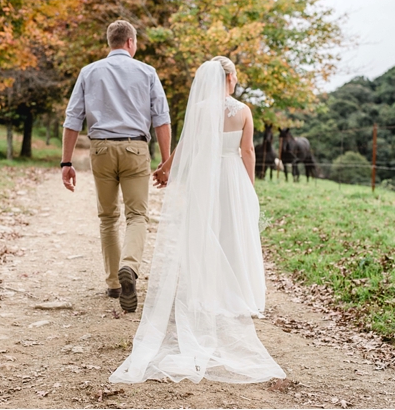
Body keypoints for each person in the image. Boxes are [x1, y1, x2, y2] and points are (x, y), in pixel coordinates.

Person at [109, 57, 286, 384]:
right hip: (232, 177)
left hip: (206, 179)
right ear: (230, 78)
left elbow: (187, 143)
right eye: (234, 77)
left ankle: (205, 292)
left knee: (205, 233)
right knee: (233, 232)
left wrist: (167, 169)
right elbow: (248, 152)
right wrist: (249, 186)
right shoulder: (244, 111)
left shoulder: (201, 109)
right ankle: (234, 295)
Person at [61, 20, 172, 313]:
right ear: (130, 43)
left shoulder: (89, 72)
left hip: (101, 149)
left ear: (111, 43)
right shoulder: (147, 72)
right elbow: (161, 118)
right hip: (135, 147)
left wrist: (66, 162)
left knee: (108, 217)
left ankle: (113, 282)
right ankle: (129, 267)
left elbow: (73, 118)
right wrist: (166, 162)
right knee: (137, 215)